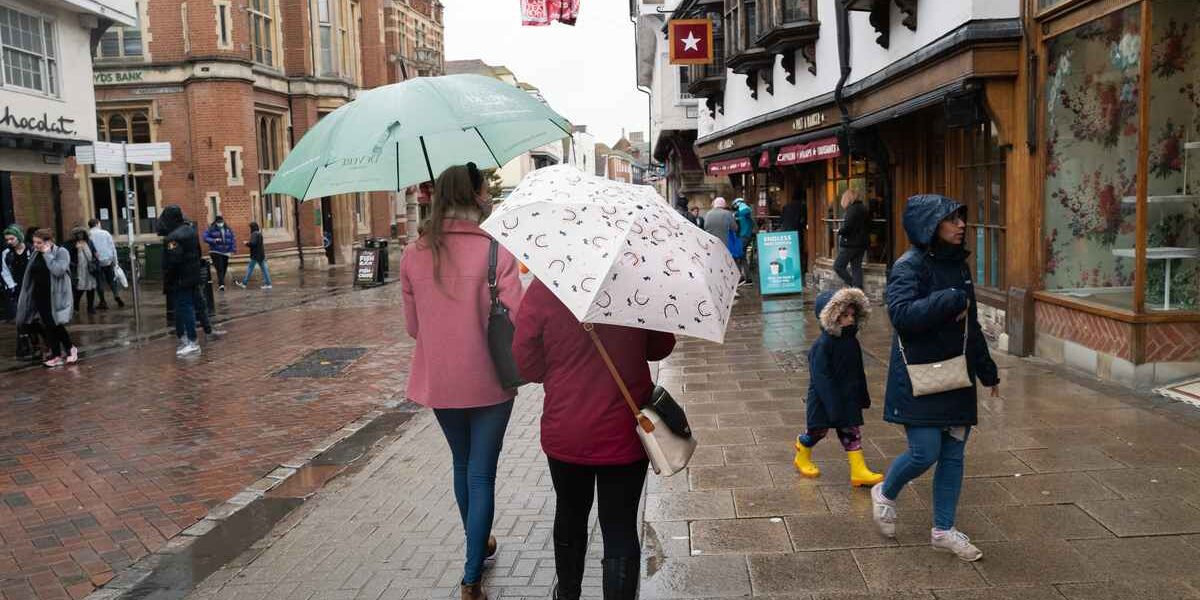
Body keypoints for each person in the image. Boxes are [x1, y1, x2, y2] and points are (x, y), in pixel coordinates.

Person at [399, 163, 522, 600]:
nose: (489, 193)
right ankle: (471, 577)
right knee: (482, 474)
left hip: (442, 381)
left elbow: (414, 328)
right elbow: (518, 321)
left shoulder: (414, 253)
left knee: (462, 465)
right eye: (485, 187)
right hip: (490, 380)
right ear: (473, 196)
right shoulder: (496, 252)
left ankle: (479, 540)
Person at [514, 280, 675, 600]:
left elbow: (526, 364)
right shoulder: (636, 283)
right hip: (624, 431)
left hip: (567, 429)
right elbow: (661, 347)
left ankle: (569, 593)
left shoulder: (546, 288)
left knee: (571, 512)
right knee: (620, 525)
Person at [871, 194, 1000, 562]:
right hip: (920, 377)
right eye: (952, 219)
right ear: (930, 226)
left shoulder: (960, 266)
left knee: (954, 456)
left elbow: (971, 325)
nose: (961, 225)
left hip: (958, 375)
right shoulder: (909, 266)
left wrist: (987, 371)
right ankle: (884, 493)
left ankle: (943, 530)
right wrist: (948, 299)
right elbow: (901, 316)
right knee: (924, 452)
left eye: (962, 218)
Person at [792, 288, 884, 487]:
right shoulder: (823, 345)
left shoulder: (851, 341)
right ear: (831, 317)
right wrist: (832, 405)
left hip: (848, 396)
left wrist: (862, 395)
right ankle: (802, 450)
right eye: (844, 316)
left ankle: (858, 471)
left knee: (851, 432)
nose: (850, 319)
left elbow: (858, 371)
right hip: (825, 399)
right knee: (817, 432)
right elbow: (821, 379)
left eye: (852, 315)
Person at [15, 229, 77, 367]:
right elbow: (30, 274)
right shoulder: (35, 254)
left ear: (49, 241)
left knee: (56, 324)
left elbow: (58, 271)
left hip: (55, 295)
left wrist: (48, 254)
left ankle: (70, 348)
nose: (35, 245)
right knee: (48, 325)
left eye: (39, 242)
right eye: (34, 242)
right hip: (39, 294)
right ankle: (57, 354)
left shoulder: (61, 252)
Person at [157, 205, 204, 357]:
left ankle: (192, 341)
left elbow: (173, 261)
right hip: (192, 275)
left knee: (185, 308)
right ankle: (185, 338)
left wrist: (169, 278)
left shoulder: (173, 238)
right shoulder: (191, 231)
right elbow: (198, 252)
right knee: (186, 307)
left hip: (180, 279)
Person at [833, 189, 869, 289]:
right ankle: (858, 290)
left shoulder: (852, 210)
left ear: (848, 198)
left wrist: (839, 231)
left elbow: (848, 228)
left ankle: (853, 285)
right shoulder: (864, 208)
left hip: (850, 244)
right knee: (856, 268)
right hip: (861, 244)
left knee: (838, 266)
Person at [87, 219, 124, 309]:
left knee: (99, 282)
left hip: (96, 261)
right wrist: (115, 262)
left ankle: (103, 301)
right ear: (97, 224)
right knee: (112, 280)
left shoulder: (88, 235)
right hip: (108, 260)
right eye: (99, 223)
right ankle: (116, 295)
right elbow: (112, 247)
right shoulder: (106, 233)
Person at [69, 227, 101, 315]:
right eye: (78, 234)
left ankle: (90, 308)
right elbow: (70, 256)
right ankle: (76, 308)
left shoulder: (89, 242)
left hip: (89, 268)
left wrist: (96, 256)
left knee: (91, 289)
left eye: (82, 233)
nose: (80, 235)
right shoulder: (72, 244)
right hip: (79, 269)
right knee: (79, 289)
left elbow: (94, 251)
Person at [202, 216, 236, 291]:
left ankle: (221, 281)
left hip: (226, 252)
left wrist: (233, 249)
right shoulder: (211, 229)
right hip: (215, 251)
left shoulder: (227, 229)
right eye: (219, 222)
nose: (220, 223)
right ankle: (221, 284)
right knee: (220, 268)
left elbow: (232, 239)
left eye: (221, 222)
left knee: (224, 267)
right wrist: (214, 240)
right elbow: (205, 237)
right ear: (216, 222)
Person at [236, 222, 271, 289]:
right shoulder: (259, 233)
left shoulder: (254, 234)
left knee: (250, 268)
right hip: (261, 254)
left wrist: (246, 243)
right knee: (264, 269)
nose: (250, 229)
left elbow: (253, 243)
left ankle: (244, 283)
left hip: (255, 255)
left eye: (250, 227)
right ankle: (268, 284)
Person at [732, 197, 756, 284]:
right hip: (745, 236)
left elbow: (746, 210)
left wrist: (737, 214)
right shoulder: (742, 214)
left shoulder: (744, 210)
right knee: (742, 258)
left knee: (737, 256)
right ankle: (747, 278)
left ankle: (740, 277)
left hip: (744, 236)